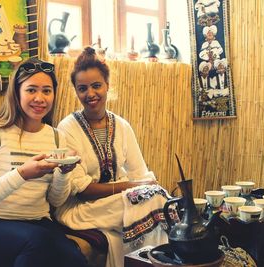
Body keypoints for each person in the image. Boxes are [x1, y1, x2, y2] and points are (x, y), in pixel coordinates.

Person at [55, 47, 174, 267]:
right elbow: (82, 190)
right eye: (82, 88)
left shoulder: (121, 125)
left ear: (108, 85)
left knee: (160, 198)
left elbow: (140, 172)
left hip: (117, 203)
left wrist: (146, 185)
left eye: (96, 85)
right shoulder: (67, 128)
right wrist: (133, 185)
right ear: (76, 91)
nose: (90, 94)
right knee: (154, 200)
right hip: (82, 209)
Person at [0, 58, 88, 267]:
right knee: (38, 243)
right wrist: (22, 174)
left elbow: (55, 201)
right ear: (17, 92)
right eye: (31, 90)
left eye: (47, 91)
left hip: (37, 223)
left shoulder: (57, 138)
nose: (40, 98)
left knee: (74, 258)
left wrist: (64, 172)